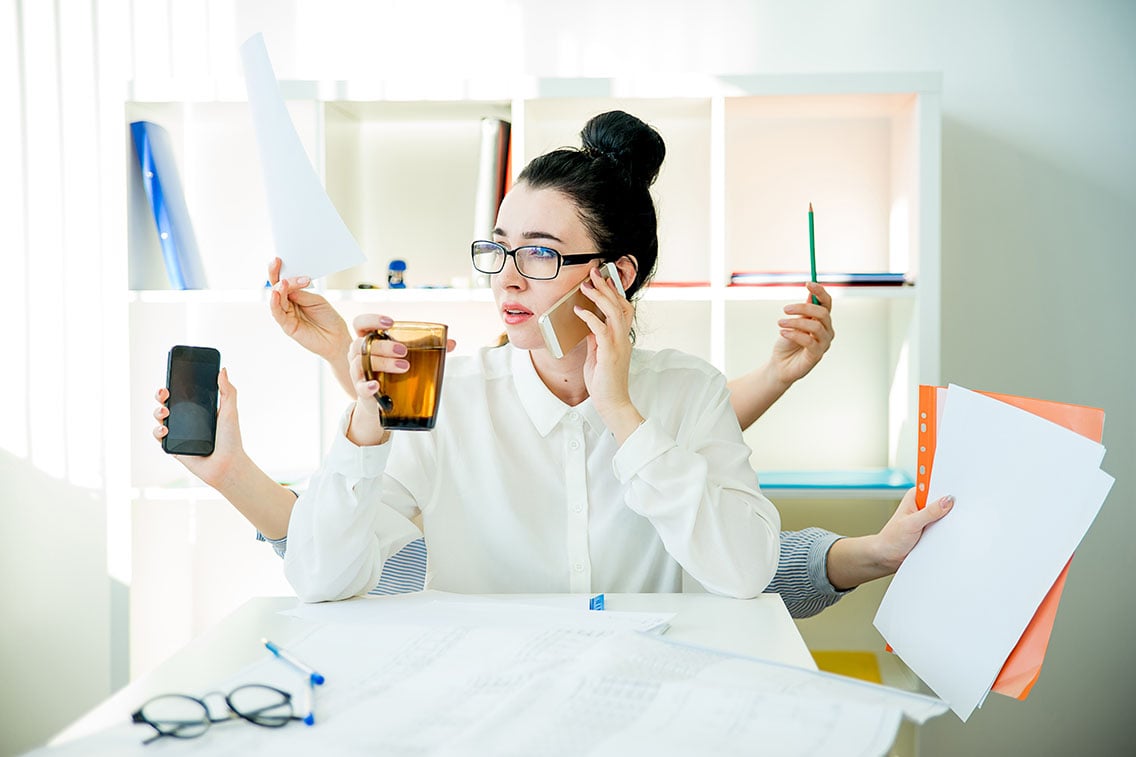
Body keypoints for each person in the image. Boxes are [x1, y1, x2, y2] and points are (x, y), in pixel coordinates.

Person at [154, 111, 951, 612]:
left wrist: (622, 413)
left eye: (537, 253)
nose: (505, 276)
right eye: (497, 250)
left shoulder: (687, 394)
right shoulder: (448, 397)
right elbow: (326, 575)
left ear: (615, 276)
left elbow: (746, 571)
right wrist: (366, 422)